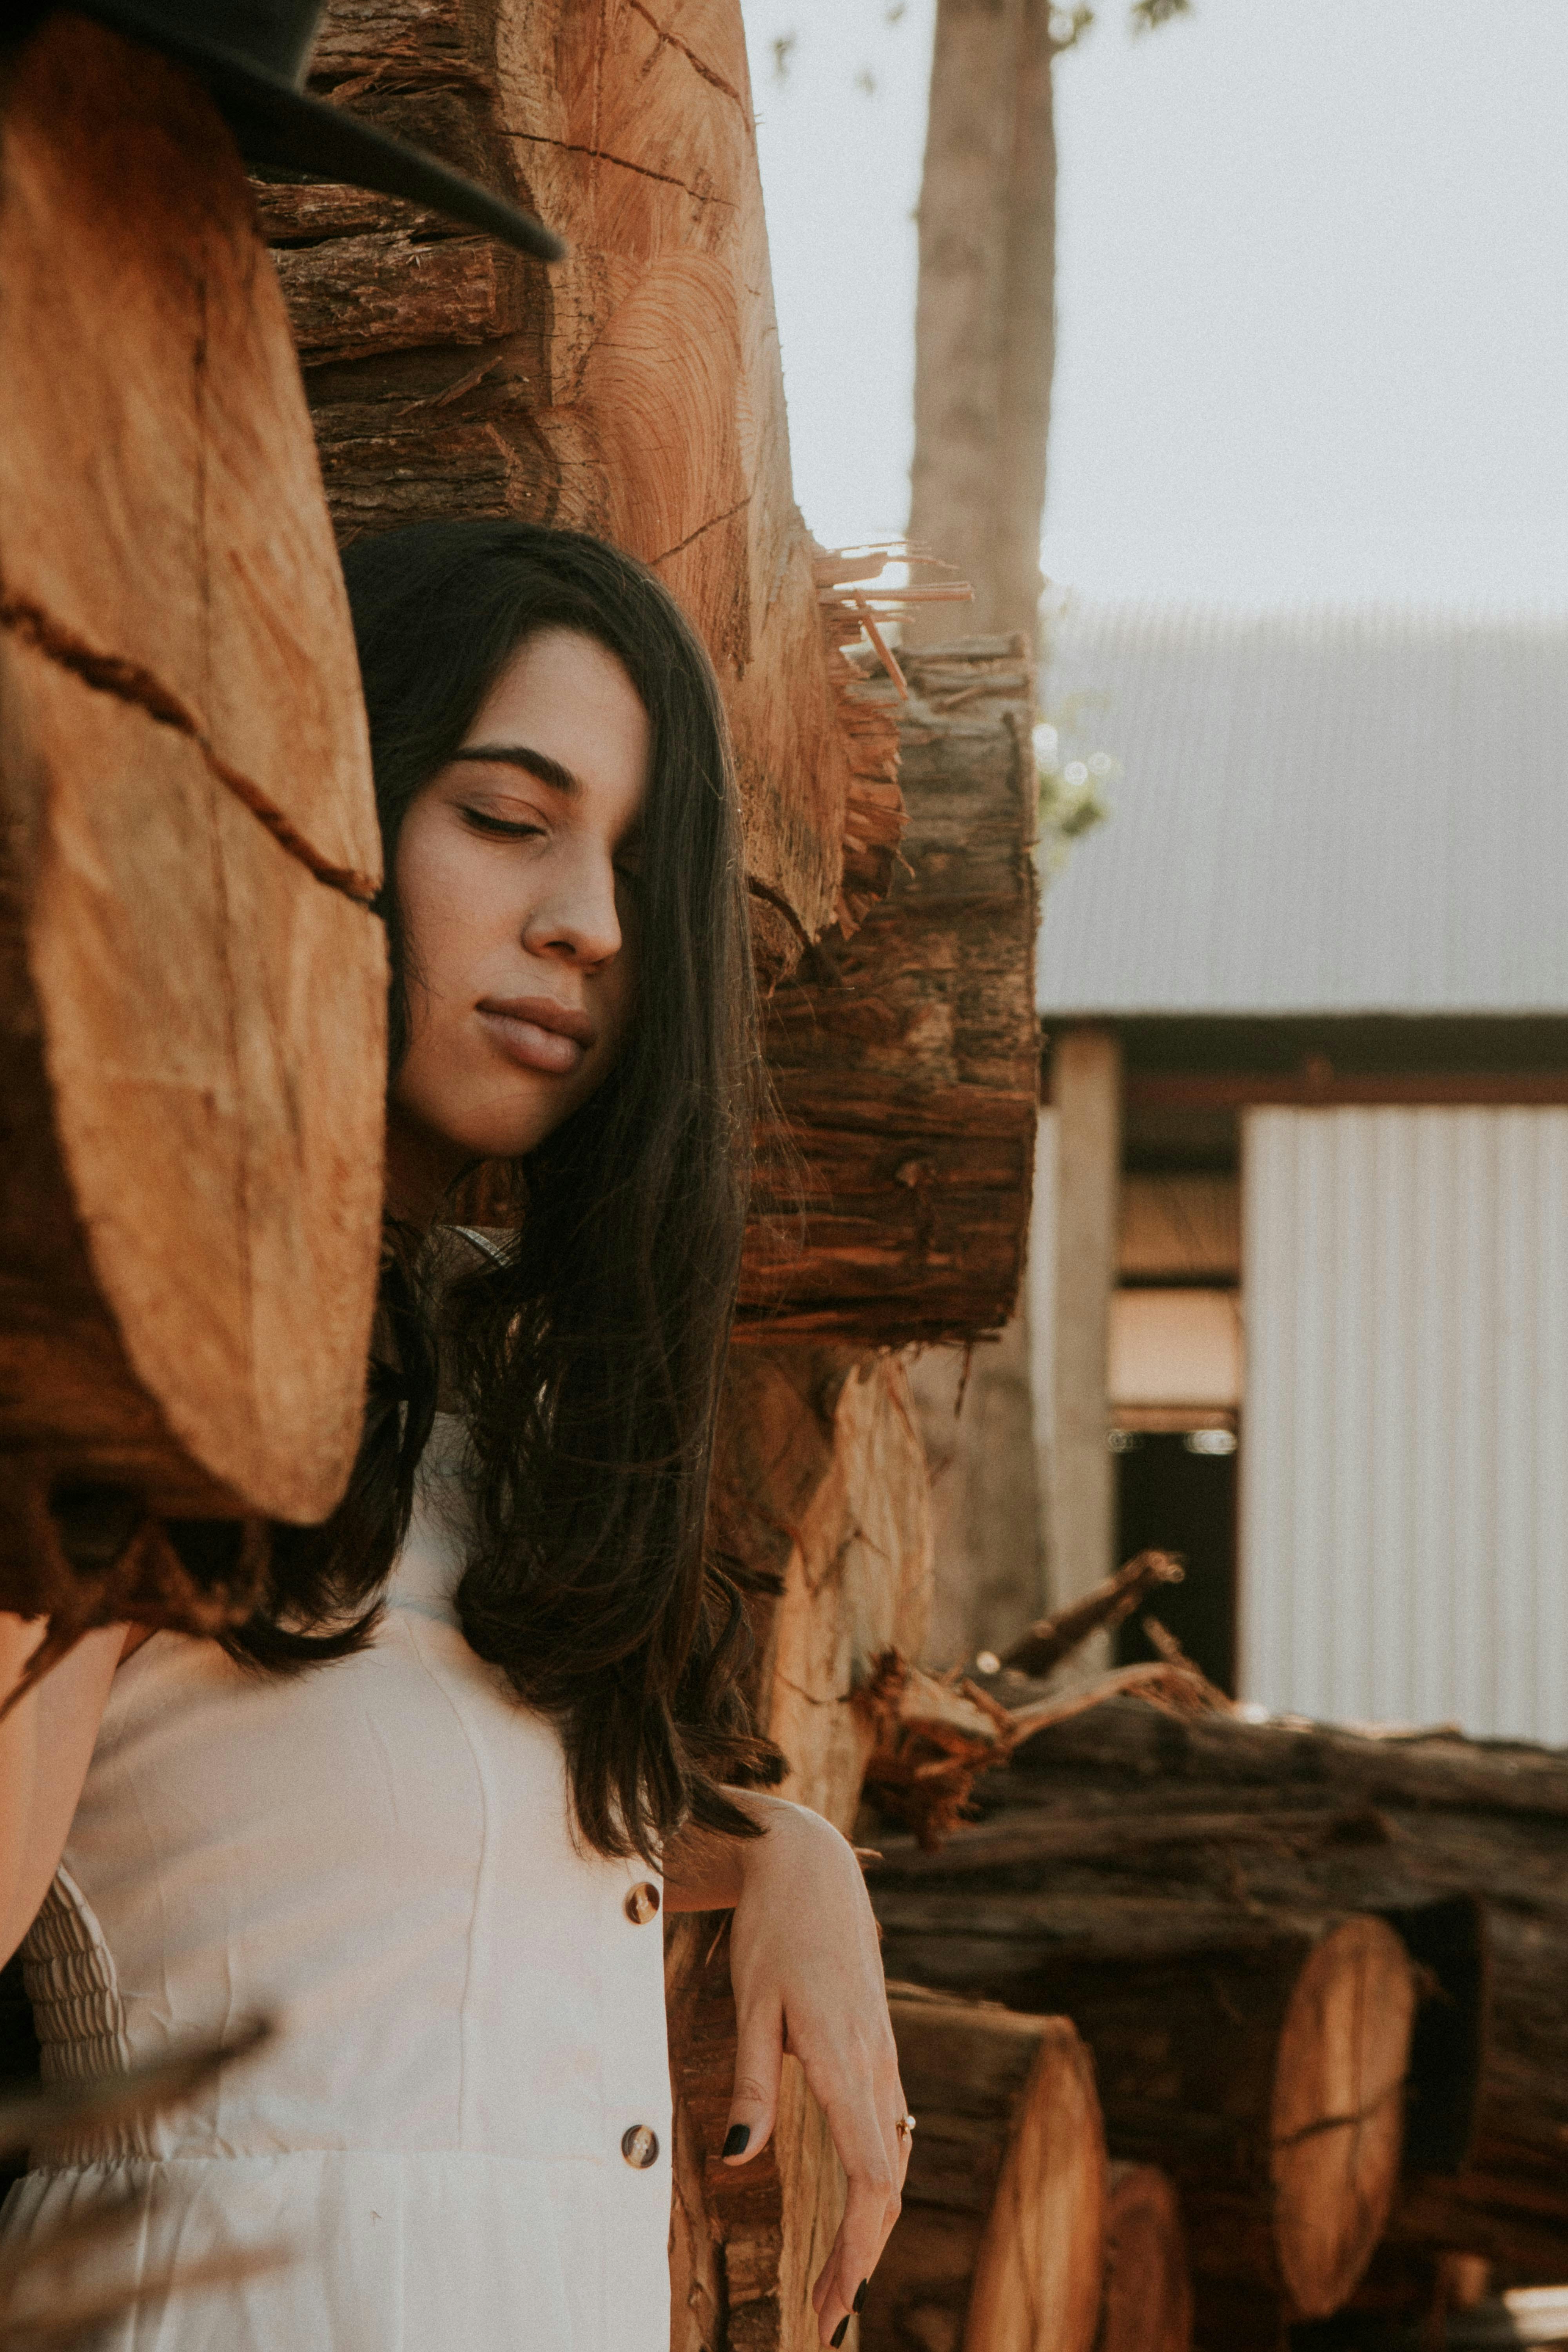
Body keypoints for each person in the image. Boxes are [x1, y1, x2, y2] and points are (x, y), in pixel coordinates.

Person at [0, 523, 909, 2350]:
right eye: (506, 817)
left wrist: (775, 1848)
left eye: (638, 868)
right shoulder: (91, 1321)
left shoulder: (510, 1368)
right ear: (323, 804)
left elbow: (389, 1820)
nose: (584, 919)